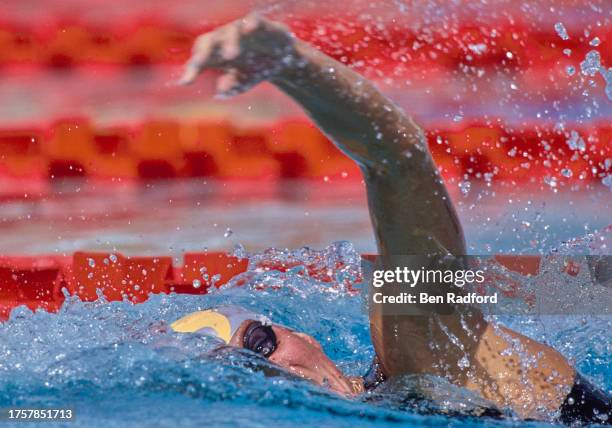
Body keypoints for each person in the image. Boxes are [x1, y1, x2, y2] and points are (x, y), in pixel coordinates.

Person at [174, 14, 611, 424]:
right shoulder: (387, 396)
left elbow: (398, 159)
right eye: (241, 375)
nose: (272, 372)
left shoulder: (415, 347)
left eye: (259, 344)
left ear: (302, 336)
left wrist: (290, 64)